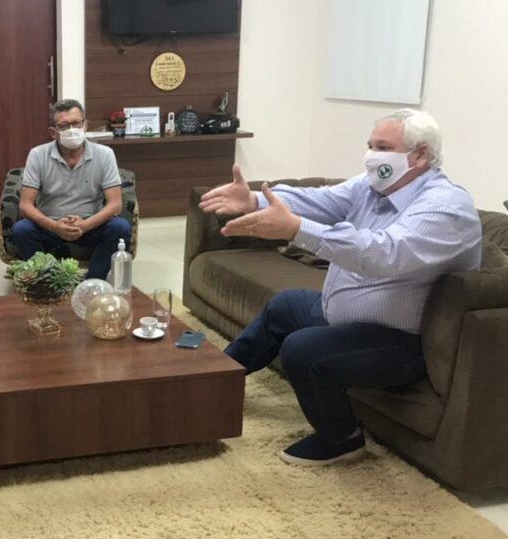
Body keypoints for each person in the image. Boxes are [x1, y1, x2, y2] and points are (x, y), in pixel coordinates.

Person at [200, 109, 481, 466]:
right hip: (347, 318)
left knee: (303, 349)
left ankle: (342, 438)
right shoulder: (373, 186)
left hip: (404, 343)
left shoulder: (445, 207)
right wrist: (255, 200)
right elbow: (321, 200)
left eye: (383, 147)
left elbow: (383, 254)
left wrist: (296, 229)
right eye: (370, 145)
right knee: (284, 305)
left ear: (420, 155)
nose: (371, 156)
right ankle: (215, 383)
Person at [10, 98, 131, 280]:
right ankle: (48, 281)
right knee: (21, 230)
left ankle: (92, 282)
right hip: (50, 226)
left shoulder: (104, 154)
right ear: (53, 132)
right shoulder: (37, 155)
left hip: (91, 225)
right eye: (64, 126)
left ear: (85, 125)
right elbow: (25, 205)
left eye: (77, 123)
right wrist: (54, 226)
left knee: (120, 227)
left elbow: (115, 204)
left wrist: (85, 225)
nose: (72, 129)